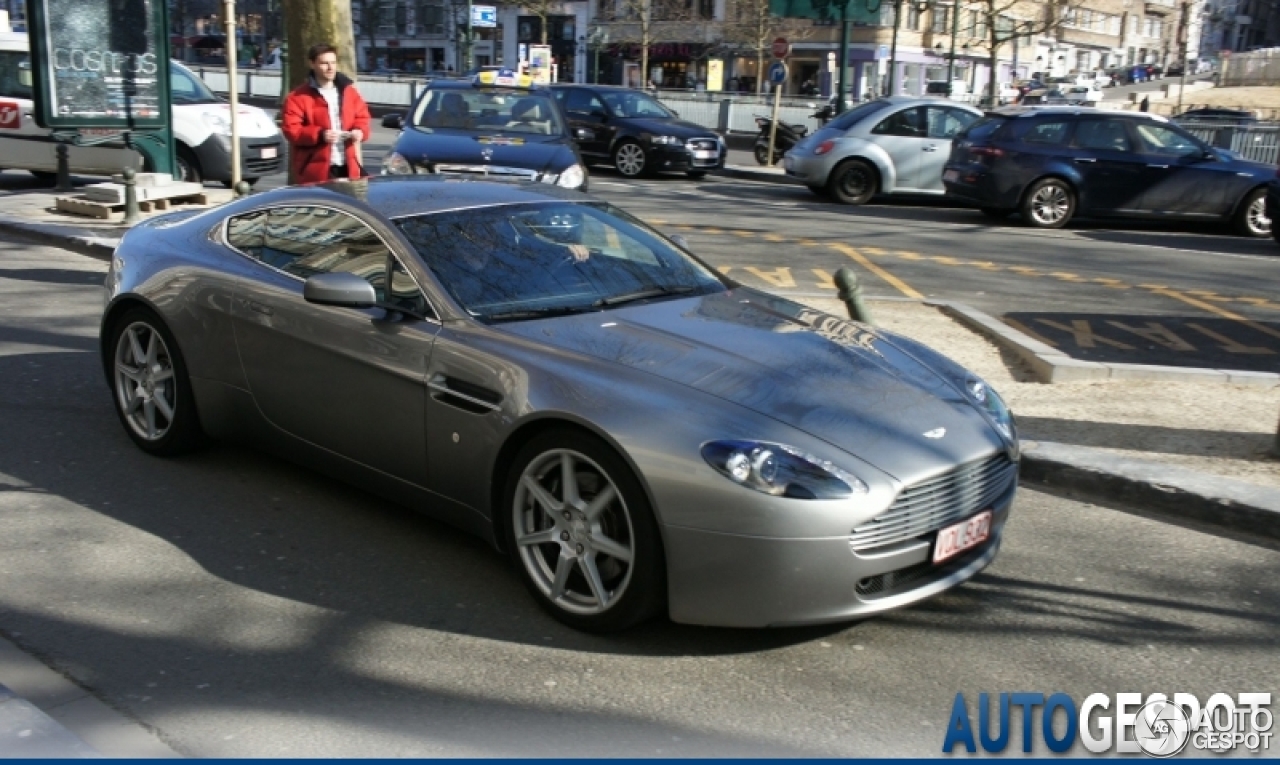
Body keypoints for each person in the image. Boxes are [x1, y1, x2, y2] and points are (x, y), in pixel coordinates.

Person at [282, 43, 372, 183]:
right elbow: (292, 130)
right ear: (312, 64)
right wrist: (320, 134)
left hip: (349, 165)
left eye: (333, 63)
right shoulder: (297, 97)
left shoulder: (349, 92)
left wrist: (359, 131)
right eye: (324, 63)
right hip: (317, 170)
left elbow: (363, 117)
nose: (330, 68)